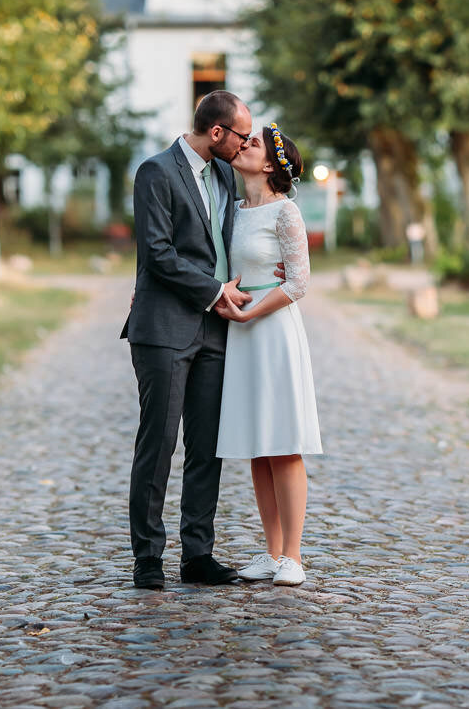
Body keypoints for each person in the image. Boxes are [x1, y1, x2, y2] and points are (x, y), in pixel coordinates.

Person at [120, 90, 257, 590]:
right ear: (216, 132)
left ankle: (198, 554)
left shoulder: (224, 173)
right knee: (158, 444)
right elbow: (157, 252)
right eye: (241, 136)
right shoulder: (155, 172)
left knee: (208, 447)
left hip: (216, 331)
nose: (245, 146)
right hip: (164, 330)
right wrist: (213, 290)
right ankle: (148, 559)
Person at [214, 124, 321, 587]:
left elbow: (298, 282)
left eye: (252, 142)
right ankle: (272, 551)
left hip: (272, 329)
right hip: (241, 332)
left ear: (273, 164)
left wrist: (252, 312)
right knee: (258, 445)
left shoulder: (286, 213)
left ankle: (294, 556)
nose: (243, 144)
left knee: (282, 441)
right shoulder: (233, 210)